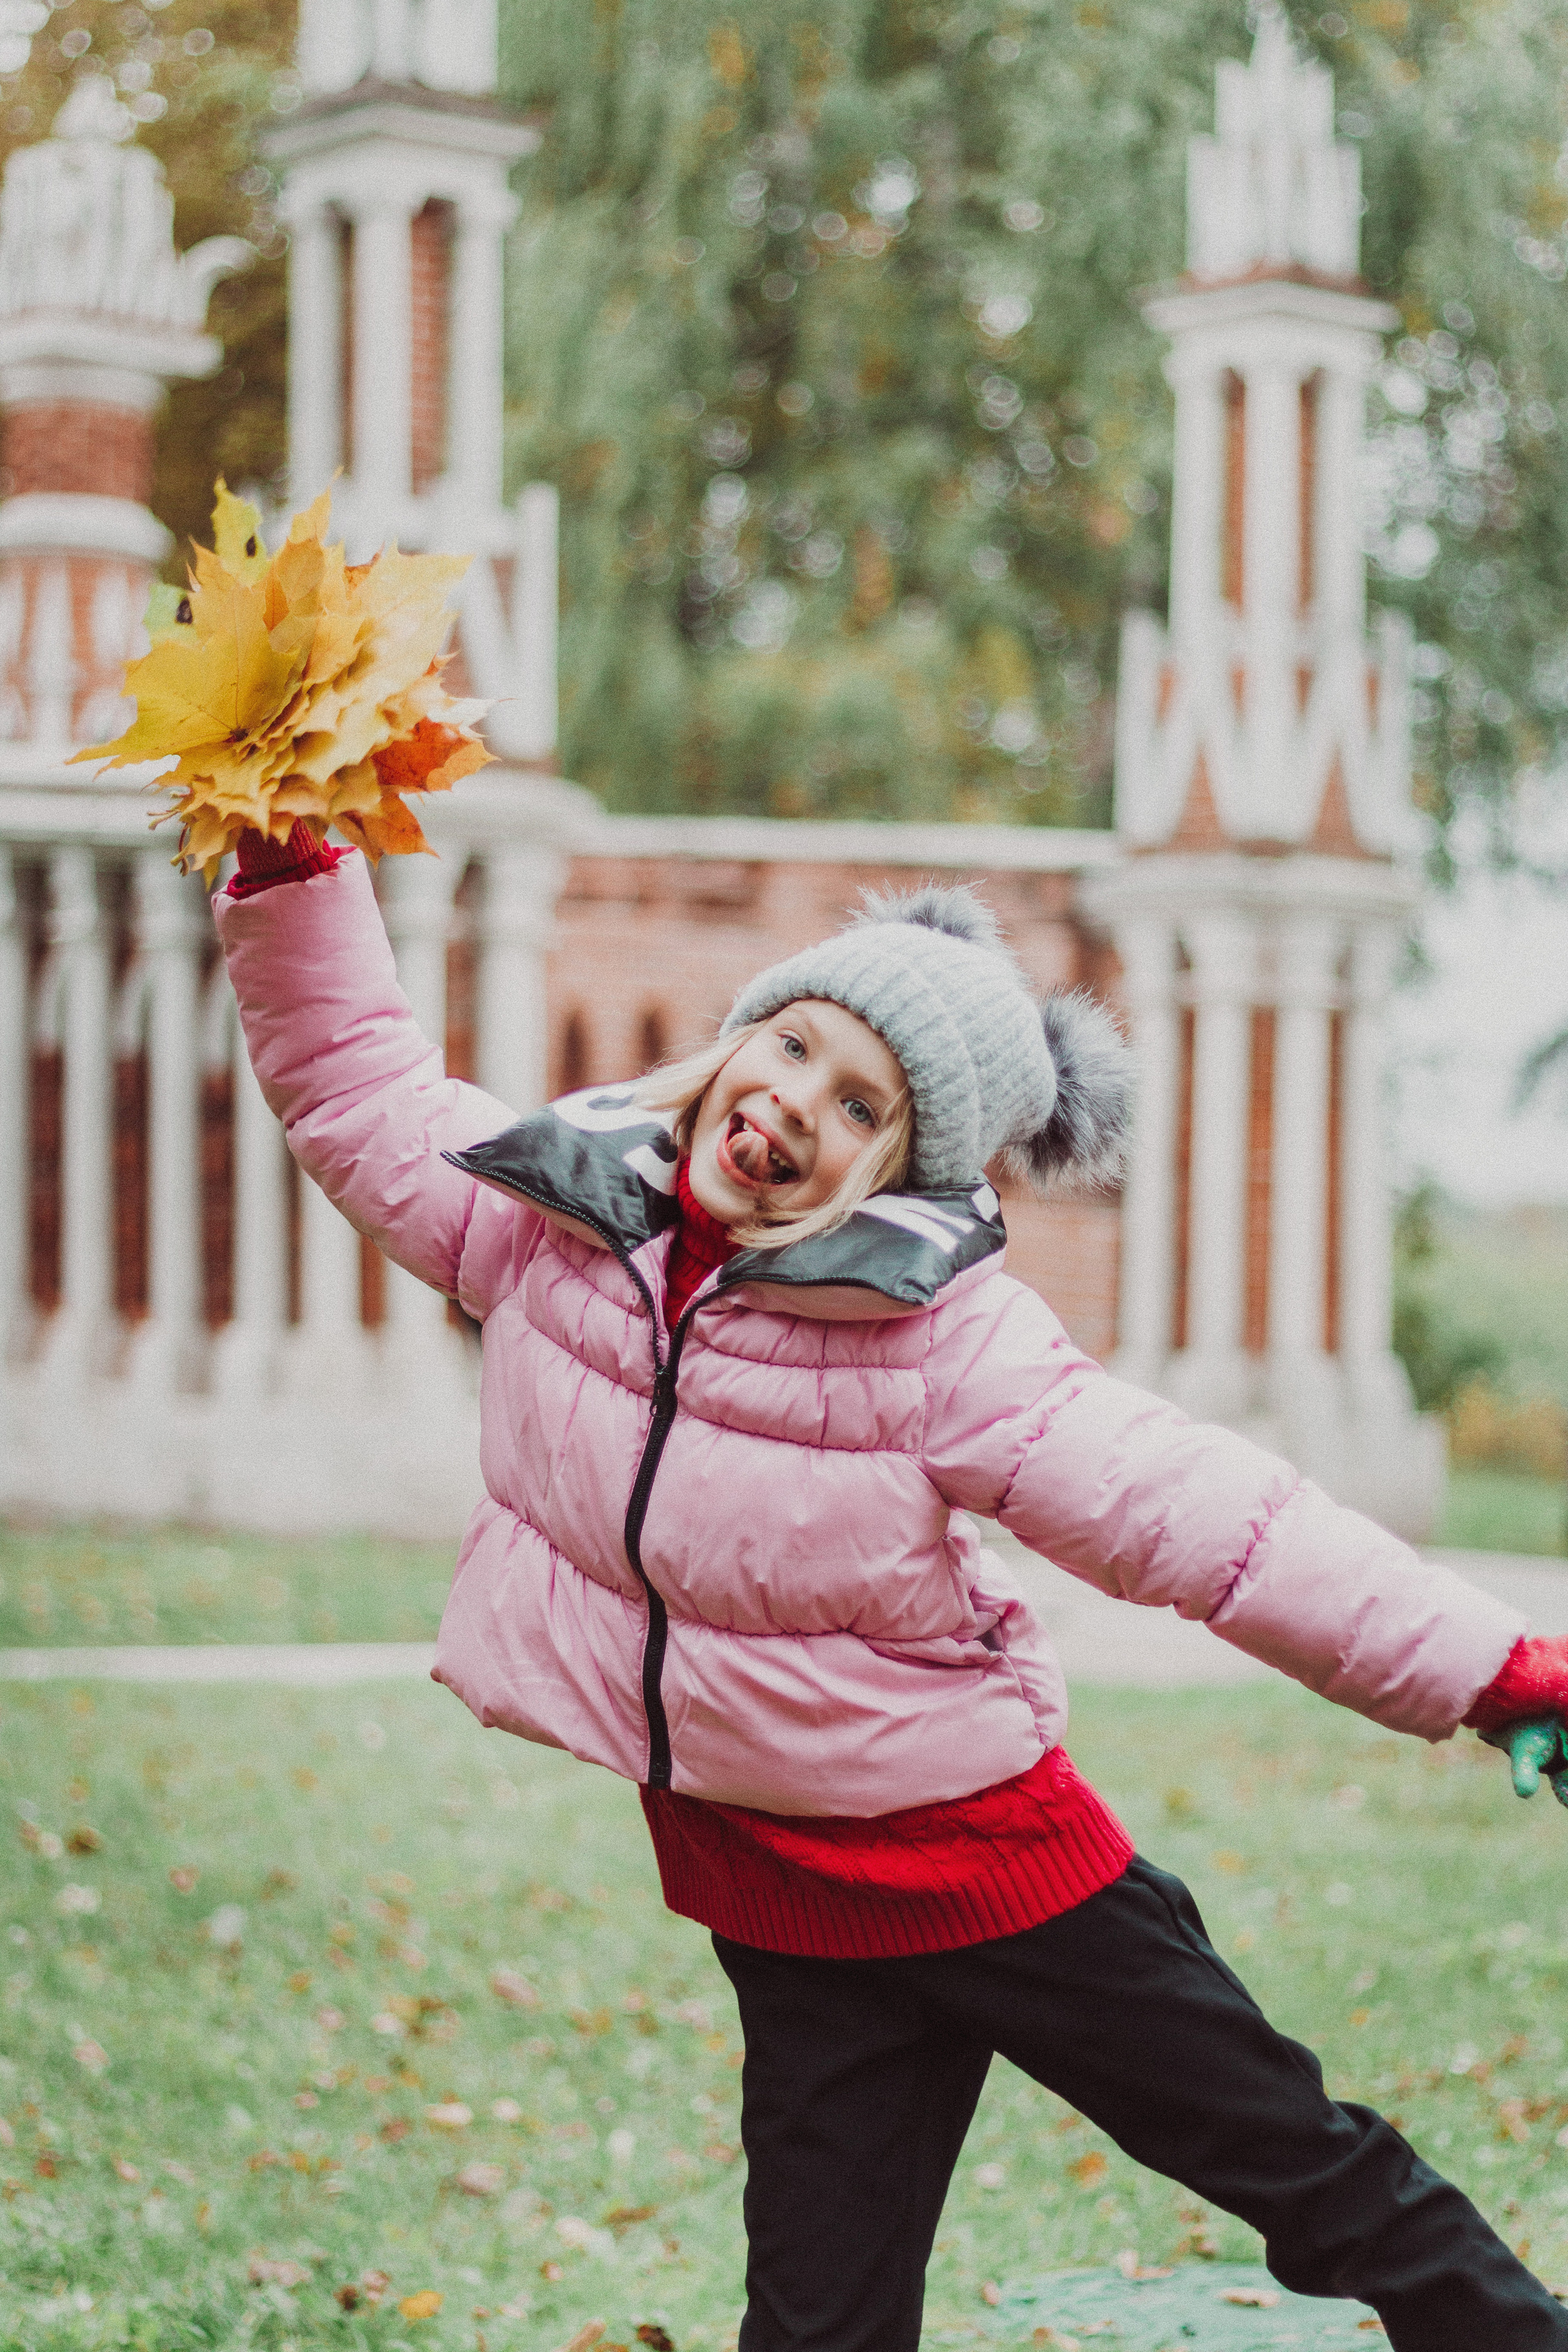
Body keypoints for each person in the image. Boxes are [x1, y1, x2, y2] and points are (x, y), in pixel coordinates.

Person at [219, 823, 1568, 2352]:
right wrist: (292, 877)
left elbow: (1209, 1520)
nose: (792, 1101)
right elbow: (355, 1091)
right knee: (815, 2325)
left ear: (900, 1168)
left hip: (995, 1871)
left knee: (1294, 2167)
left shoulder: (938, 1342)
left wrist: (1489, 1670)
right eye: (790, 1044)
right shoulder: (556, 1231)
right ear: (737, 1040)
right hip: (779, 1884)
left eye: (858, 1103)